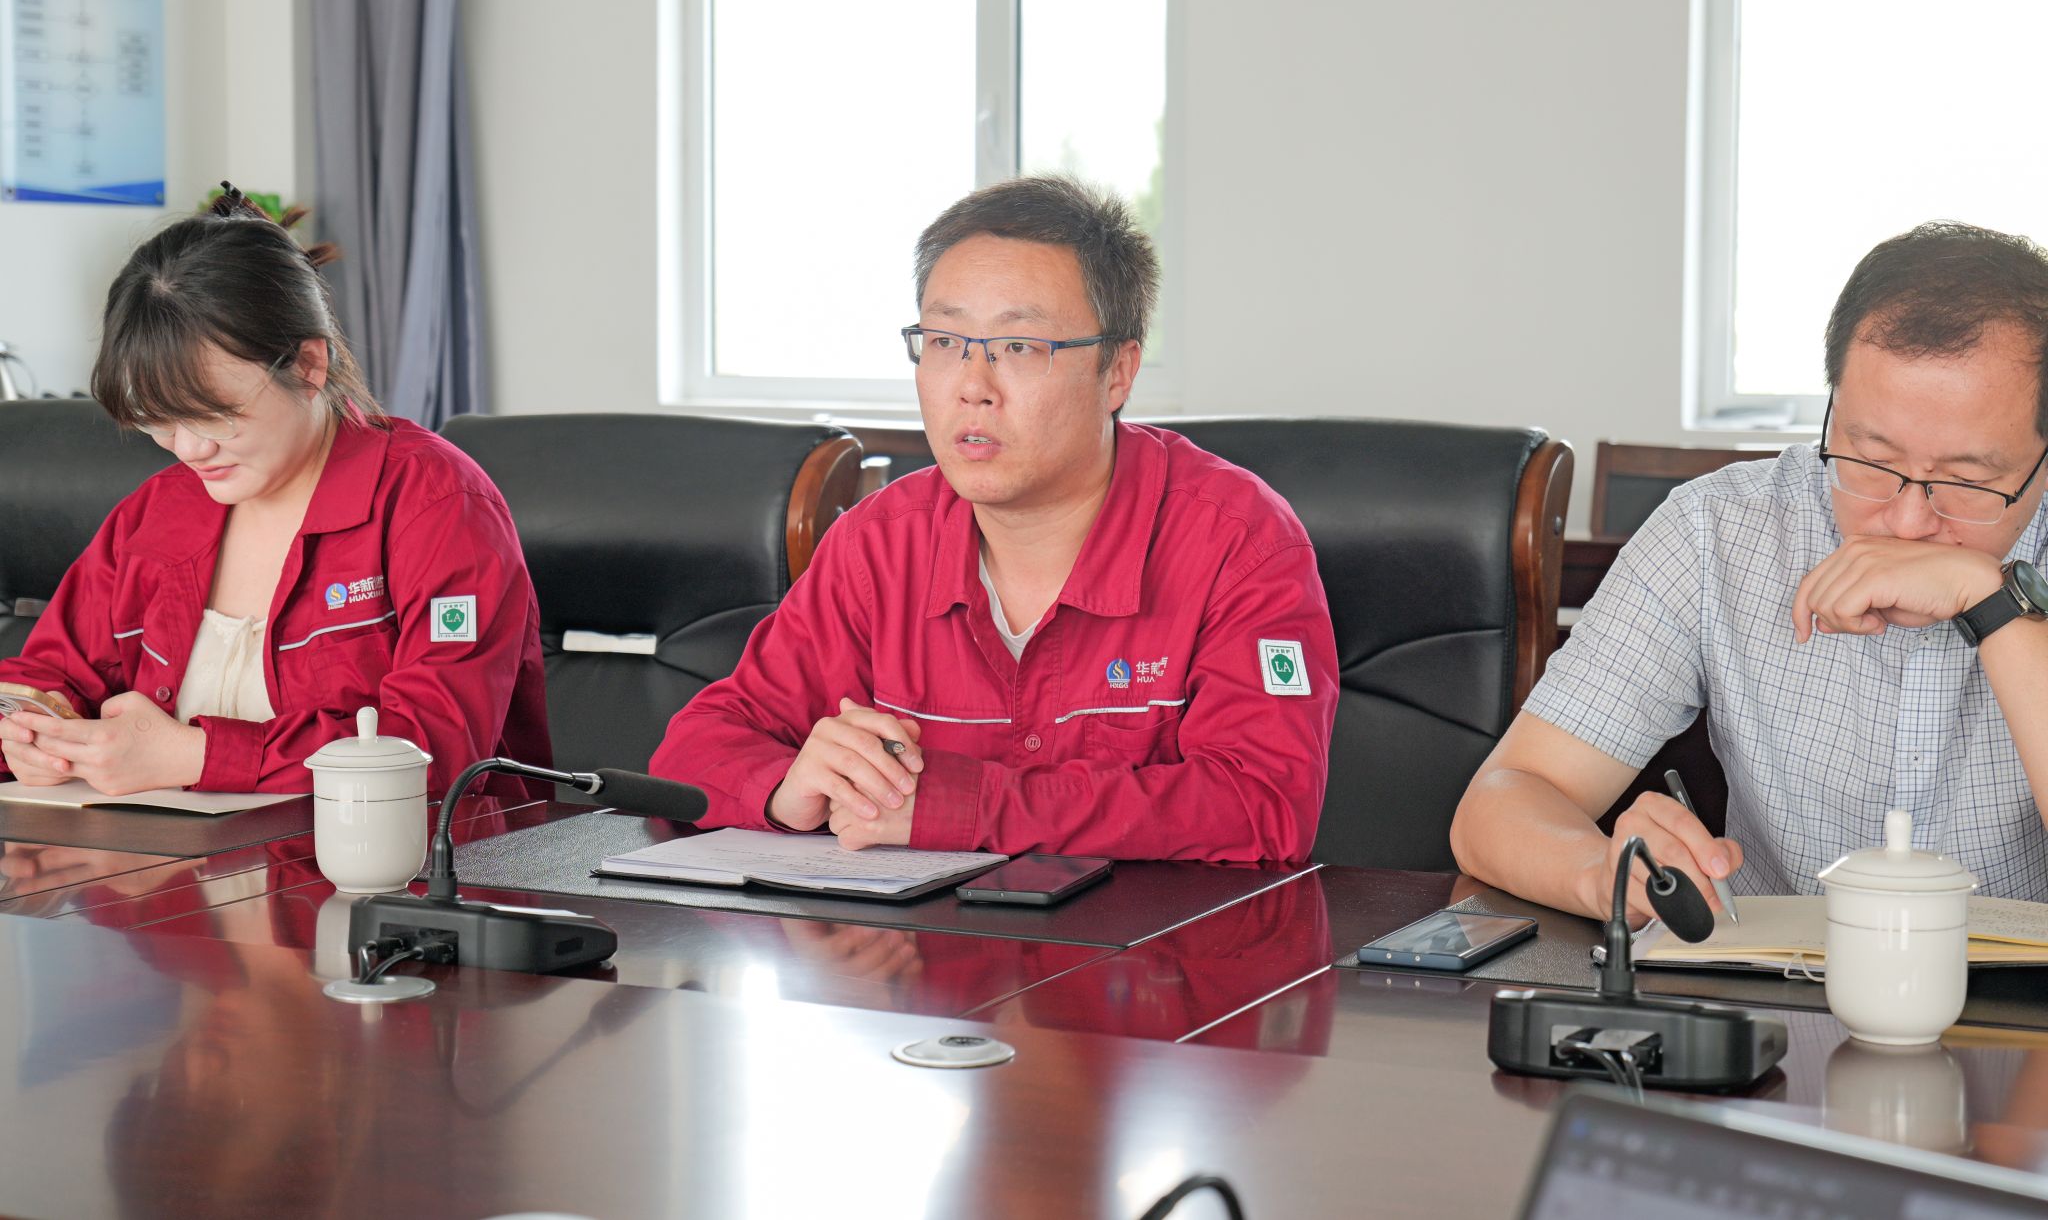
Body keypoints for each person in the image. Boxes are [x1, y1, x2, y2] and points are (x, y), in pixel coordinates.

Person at [650, 175, 1335, 862]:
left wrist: (961, 807)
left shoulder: (1239, 543)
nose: (972, 387)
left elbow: (1263, 807)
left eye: (1019, 347)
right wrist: (785, 788)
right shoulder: (878, 545)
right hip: (909, 933)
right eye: (944, 342)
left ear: (1118, 372)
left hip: (1154, 935)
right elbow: (695, 750)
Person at [1451, 221, 2048, 915]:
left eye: (1968, 480)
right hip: (1775, 979)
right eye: (1871, 458)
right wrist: (1604, 874)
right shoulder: (1717, 530)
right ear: (1832, 411)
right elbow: (1500, 803)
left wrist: (1992, 602)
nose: (1909, 522)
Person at [0, 183, 549, 797]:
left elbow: (437, 747)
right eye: (158, 421)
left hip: (407, 856)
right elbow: (44, 676)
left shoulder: (437, 504)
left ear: (308, 367)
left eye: (214, 416)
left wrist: (196, 757)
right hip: (171, 853)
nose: (189, 450)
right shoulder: (157, 513)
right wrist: (29, 732)